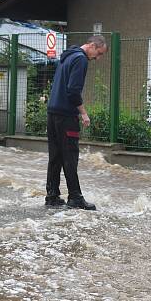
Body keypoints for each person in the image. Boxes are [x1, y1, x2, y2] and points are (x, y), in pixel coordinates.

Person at [45, 35, 108, 210]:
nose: (97, 58)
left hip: (52, 113)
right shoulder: (81, 60)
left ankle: (52, 196)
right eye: (99, 53)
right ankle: (75, 198)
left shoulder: (68, 56)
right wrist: (84, 113)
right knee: (70, 157)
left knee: (55, 157)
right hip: (66, 115)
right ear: (93, 46)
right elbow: (73, 91)